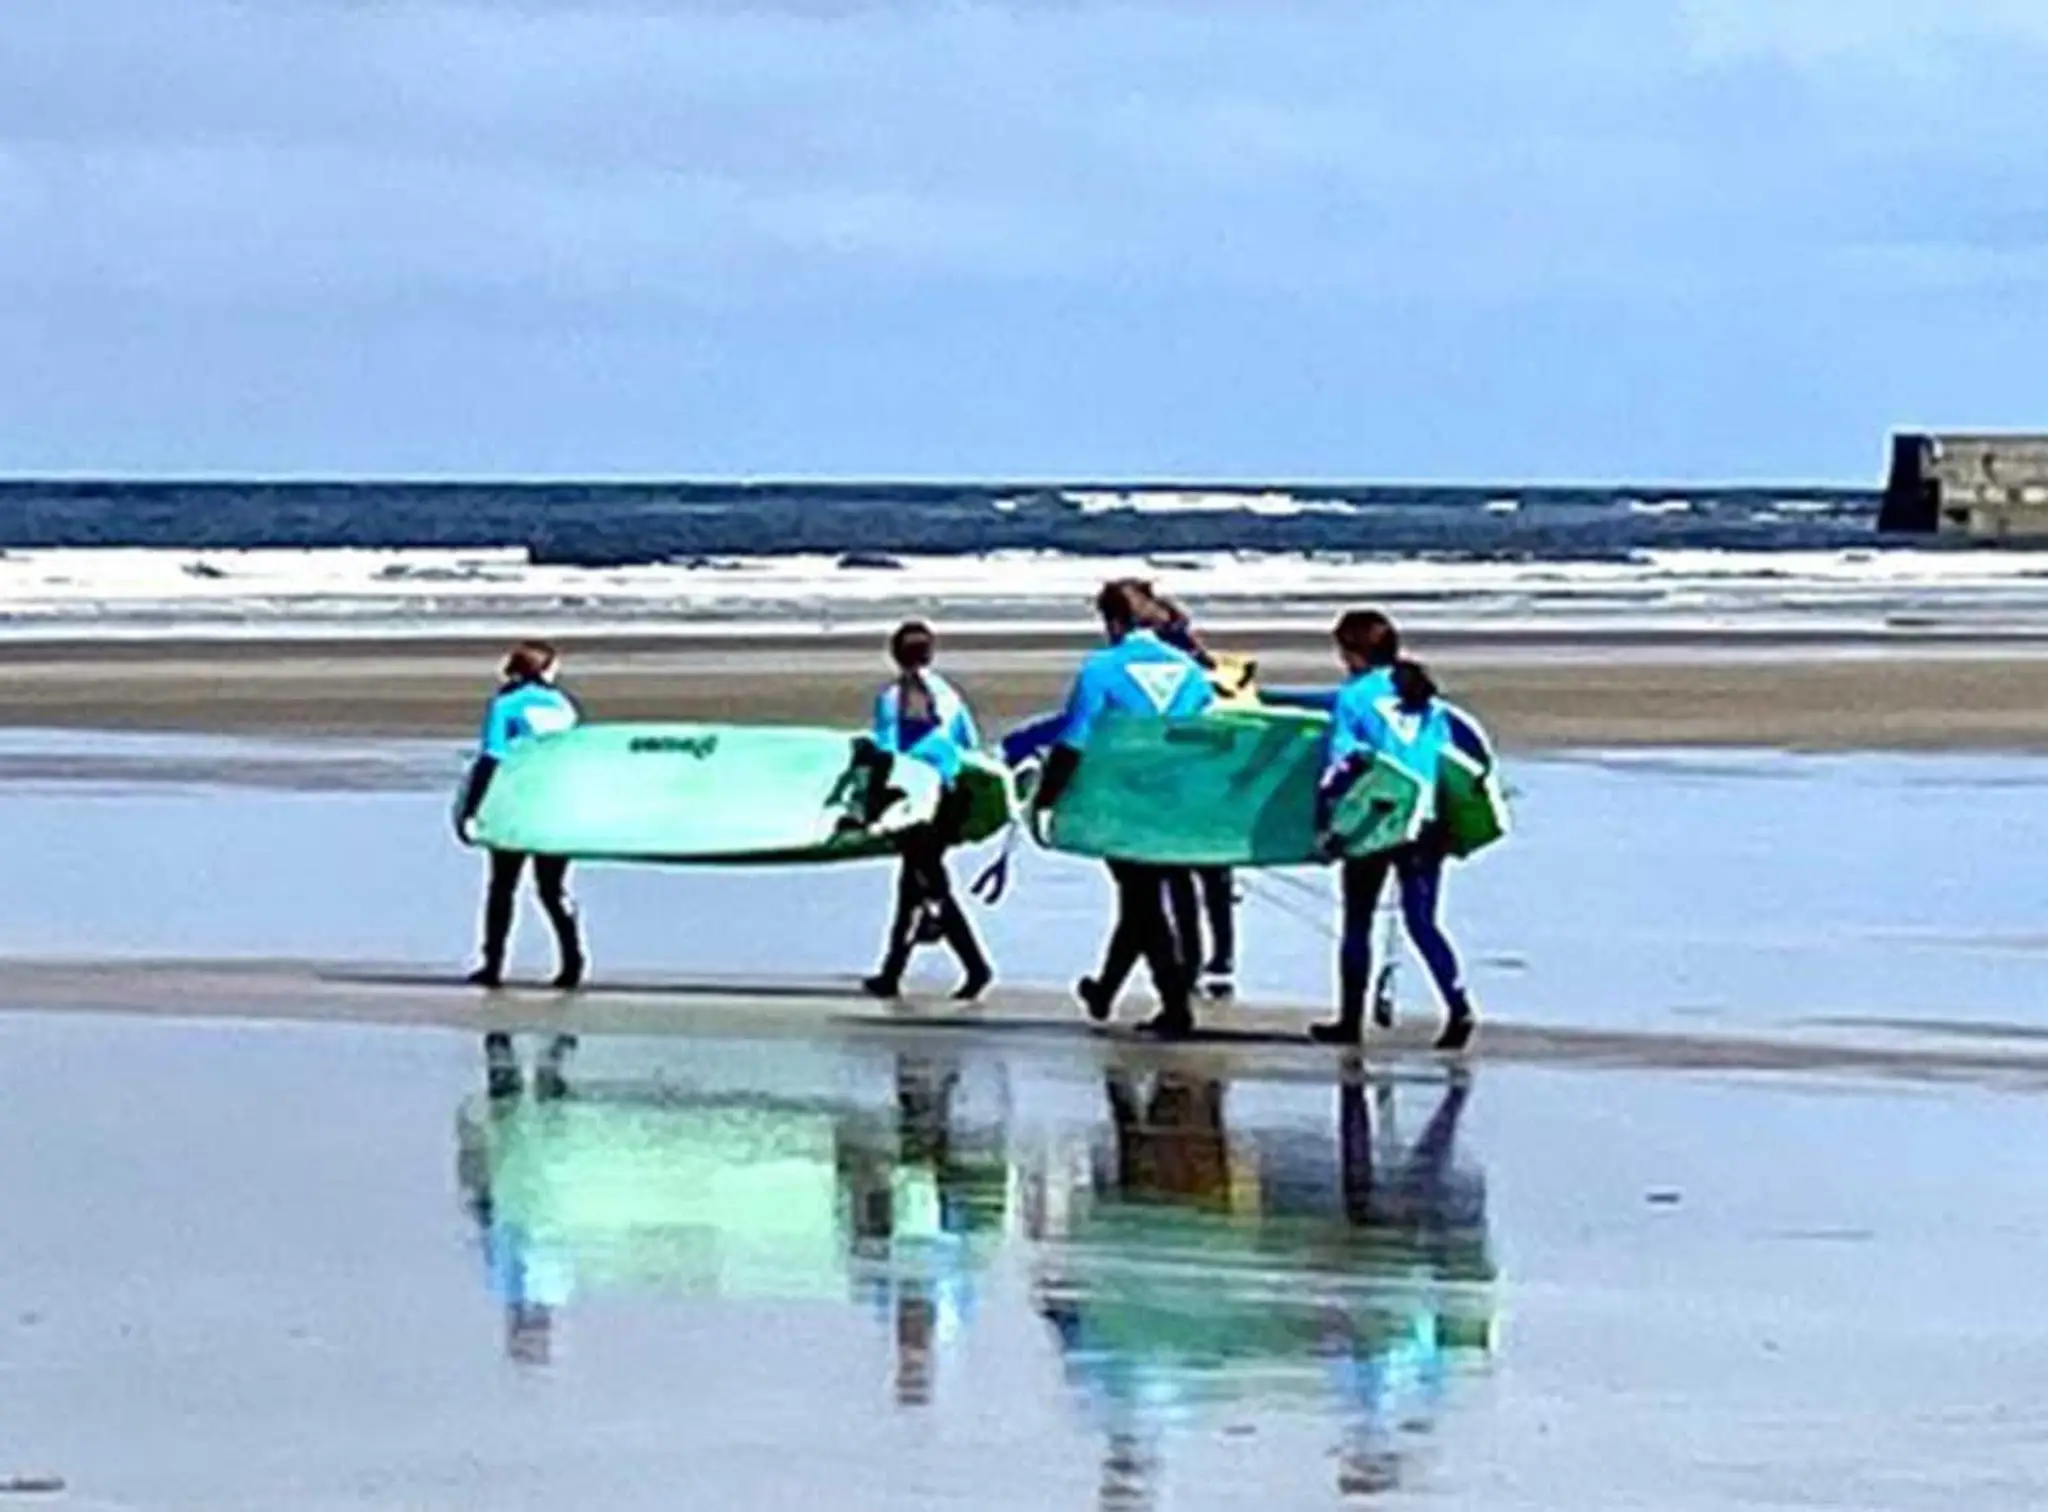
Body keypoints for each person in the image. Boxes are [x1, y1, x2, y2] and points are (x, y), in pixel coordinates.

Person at [1031, 582, 1214, 1037]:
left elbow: (1073, 742)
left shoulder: (1101, 669)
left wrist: (1046, 799)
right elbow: (1204, 738)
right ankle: (1105, 990)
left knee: (1143, 904)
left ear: (1113, 622)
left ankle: (1175, 1004)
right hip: (1178, 802)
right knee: (1140, 903)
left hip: (1124, 805)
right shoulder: (1189, 671)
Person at [1310, 611, 1478, 1051]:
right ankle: (1459, 1006)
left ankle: (1349, 1022)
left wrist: (1326, 822)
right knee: (1422, 922)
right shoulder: (1425, 696)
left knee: (1358, 920)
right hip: (1427, 820)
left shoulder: (1353, 698)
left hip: (1376, 819)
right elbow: (1448, 759)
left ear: (1355, 653)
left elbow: (1342, 766)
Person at [454, 641, 585, 1096]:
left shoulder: (506, 705)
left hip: (515, 805)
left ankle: (493, 965)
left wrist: (473, 809)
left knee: (503, 887)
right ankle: (572, 961)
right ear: (544, 670)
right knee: (552, 888)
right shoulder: (563, 706)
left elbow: (493, 756)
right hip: (557, 806)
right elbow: (574, 757)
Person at [862, 620, 993, 1001]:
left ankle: (975, 967)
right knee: (915, 882)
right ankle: (891, 973)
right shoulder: (949, 694)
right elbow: (968, 743)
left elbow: (889, 752)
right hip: (949, 797)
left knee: (928, 884)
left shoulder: (893, 698)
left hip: (915, 799)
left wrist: (872, 800)